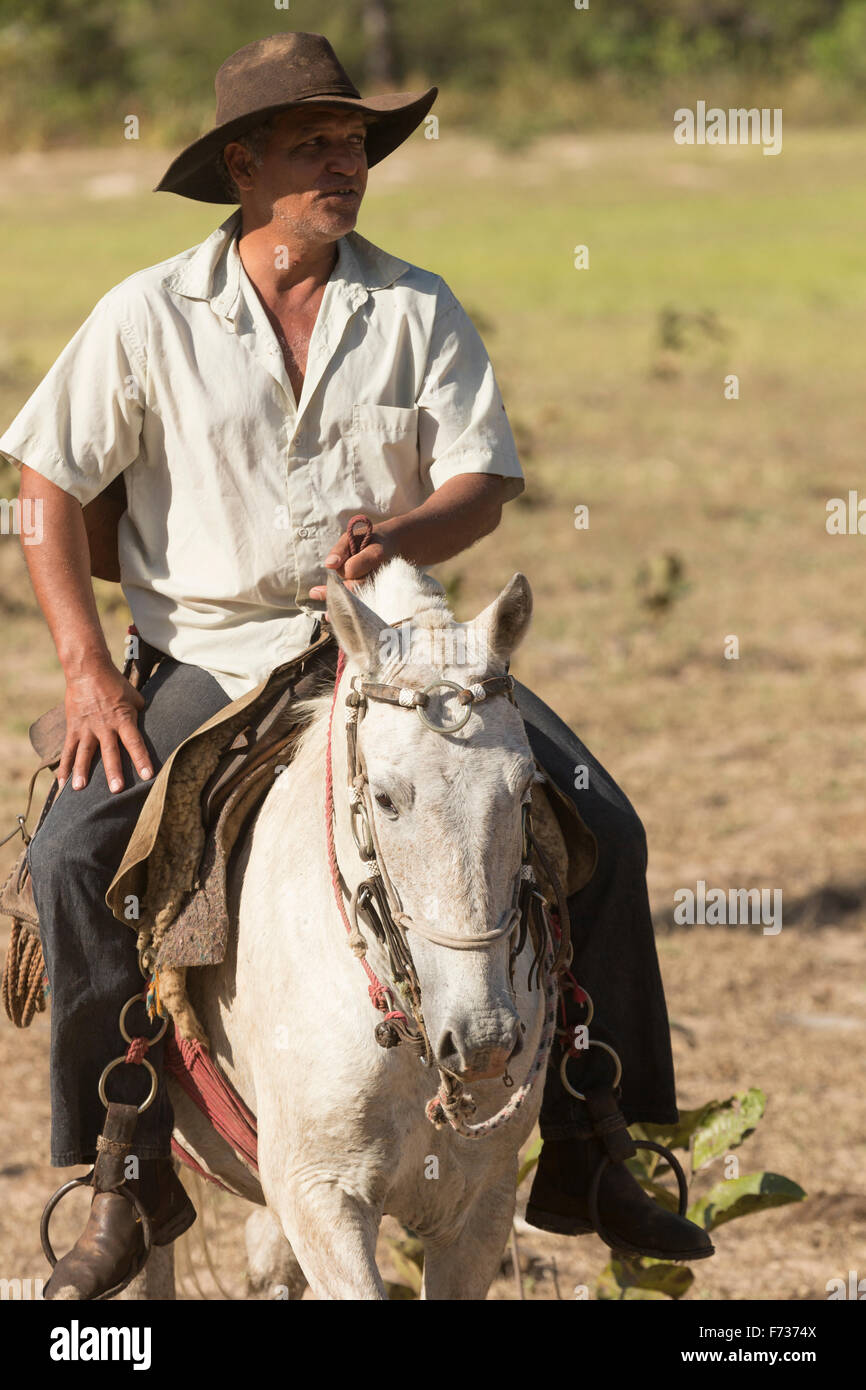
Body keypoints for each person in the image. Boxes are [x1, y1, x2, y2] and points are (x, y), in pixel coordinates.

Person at [0, 32, 712, 1300]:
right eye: (316, 145)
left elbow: (481, 479)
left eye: (357, 146)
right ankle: (120, 1172)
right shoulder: (145, 315)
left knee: (604, 821)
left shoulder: (413, 304)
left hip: (397, 647)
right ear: (242, 164)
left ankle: (600, 1143)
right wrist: (86, 676)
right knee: (68, 854)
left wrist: (404, 534)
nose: (348, 166)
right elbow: (45, 489)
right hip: (208, 655)